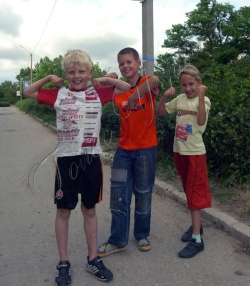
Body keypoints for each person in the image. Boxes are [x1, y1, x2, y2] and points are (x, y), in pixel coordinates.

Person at [24, 49, 131, 285]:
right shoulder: (58, 94)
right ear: (66, 74)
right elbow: (28, 91)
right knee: (63, 211)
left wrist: (105, 79)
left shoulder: (99, 92)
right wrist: (49, 78)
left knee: (90, 210)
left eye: (81, 71)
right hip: (66, 161)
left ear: (89, 73)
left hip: (91, 160)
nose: (76, 75)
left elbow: (126, 88)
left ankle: (93, 258)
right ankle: (63, 262)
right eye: (71, 71)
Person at [97, 47, 160, 257]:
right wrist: (109, 79)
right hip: (123, 150)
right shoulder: (118, 89)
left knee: (143, 193)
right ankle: (118, 240)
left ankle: (142, 234)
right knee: (118, 196)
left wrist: (134, 97)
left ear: (138, 63)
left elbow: (154, 81)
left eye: (129, 62)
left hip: (146, 150)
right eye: (121, 63)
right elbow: (95, 85)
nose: (125, 66)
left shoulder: (146, 82)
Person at [157, 65, 211, 258]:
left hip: (195, 153)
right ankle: (197, 226)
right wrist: (165, 96)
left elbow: (201, 122)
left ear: (199, 83)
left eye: (191, 84)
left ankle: (197, 239)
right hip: (179, 152)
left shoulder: (203, 100)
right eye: (184, 85)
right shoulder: (179, 99)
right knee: (190, 192)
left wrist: (202, 98)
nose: (187, 88)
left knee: (195, 196)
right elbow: (160, 113)